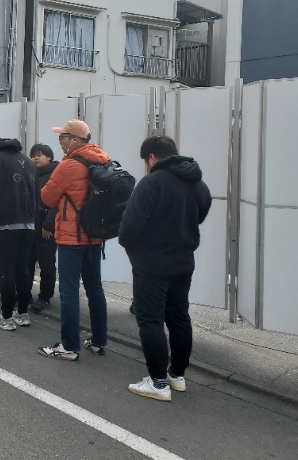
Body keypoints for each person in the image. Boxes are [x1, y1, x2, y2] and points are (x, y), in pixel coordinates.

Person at [119, 135, 211, 402]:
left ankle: (158, 382)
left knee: (151, 320)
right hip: (183, 261)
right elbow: (200, 215)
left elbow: (130, 226)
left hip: (151, 264)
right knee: (179, 317)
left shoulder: (152, 183)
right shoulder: (198, 184)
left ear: (151, 157)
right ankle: (176, 375)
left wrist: (133, 245)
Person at [38, 119, 109, 361]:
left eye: (63, 137)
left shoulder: (68, 166)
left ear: (75, 140)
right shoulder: (103, 159)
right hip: (96, 236)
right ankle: (99, 341)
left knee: (69, 291)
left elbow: (46, 198)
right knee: (95, 288)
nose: (60, 141)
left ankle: (69, 346)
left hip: (71, 237)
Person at [0, 137, 37, 330]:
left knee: (6, 273)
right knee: (23, 270)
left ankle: (5, 317)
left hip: (3, 225)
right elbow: (37, 194)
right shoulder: (29, 162)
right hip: (28, 224)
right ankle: (22, 313)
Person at [29, 143, 59, 313]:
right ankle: (26, 294)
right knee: (27, 262)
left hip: (46, 228)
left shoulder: (56, 174)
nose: (35, 158)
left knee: (47, 264)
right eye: (33, 155)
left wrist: (48, 224)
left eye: (39, 155)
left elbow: (56, 203)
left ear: (49, 157)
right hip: (30, 225)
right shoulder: (32, 173)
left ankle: (44, 297)